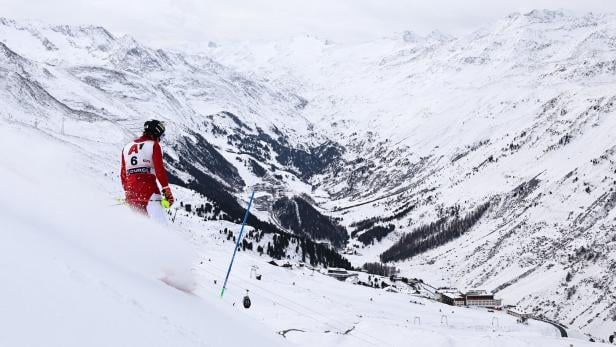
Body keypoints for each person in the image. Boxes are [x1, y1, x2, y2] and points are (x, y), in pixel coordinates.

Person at [120, 120, 174, 223]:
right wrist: (166, 190)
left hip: (131, 194)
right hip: (149, 192)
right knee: (160, 227)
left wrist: (127, 192)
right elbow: (159, 170)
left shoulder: (126, 148)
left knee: (140, 228)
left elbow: (123, 174)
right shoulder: (154, 145)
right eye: (161, 136)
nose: (160, 139)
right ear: (156, 133)